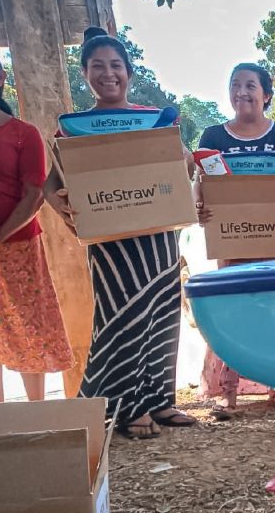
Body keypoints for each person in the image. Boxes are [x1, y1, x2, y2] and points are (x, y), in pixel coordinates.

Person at [44, 27, 196, 439]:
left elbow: (183, 165)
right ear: (85, 74)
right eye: (98, 67)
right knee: (121, 318)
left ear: (128, 72)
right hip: (111, 245)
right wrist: (68, 214)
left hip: (157, 236)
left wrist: (181, 161)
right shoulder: (73, 129)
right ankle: (126, 408)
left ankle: (161, 401)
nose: (108, 74)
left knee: (163, 313)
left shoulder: (154, 119)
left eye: (115, 66)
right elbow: (49, 184)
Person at [194, 63, 275, 420]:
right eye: (235, 85)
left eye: (250, 85)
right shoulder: (214, 137)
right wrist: (198, 206)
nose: (241, 92)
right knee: (235, 309)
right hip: (234, 242)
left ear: (266, 94)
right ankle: (227, 390)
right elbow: (202, 182)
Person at [0, 52, 74, 403]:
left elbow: (33, 196)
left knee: (29, 329)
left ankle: (37, 414)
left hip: (18, 248)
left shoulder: (22, 134)